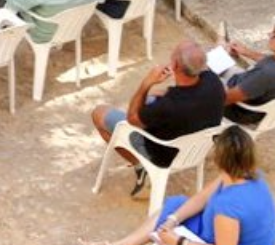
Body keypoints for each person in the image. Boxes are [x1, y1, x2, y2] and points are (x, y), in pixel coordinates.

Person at [89, 126, 275, 245]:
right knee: (177, 204)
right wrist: (173, 218)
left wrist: (179, 242)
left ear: (220, 159)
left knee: (164, 238)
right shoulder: (249, 176)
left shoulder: (227, 206)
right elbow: (202, 197)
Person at [91, 40, 224, 182]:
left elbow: (132, 118)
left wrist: (147, 83)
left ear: (175, 65)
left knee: (99, 113)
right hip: (196, 149)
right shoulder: (214, 82)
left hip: (161, 154)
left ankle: (139, 166)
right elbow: (189, 95)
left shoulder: (167, 106)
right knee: (151, 98)